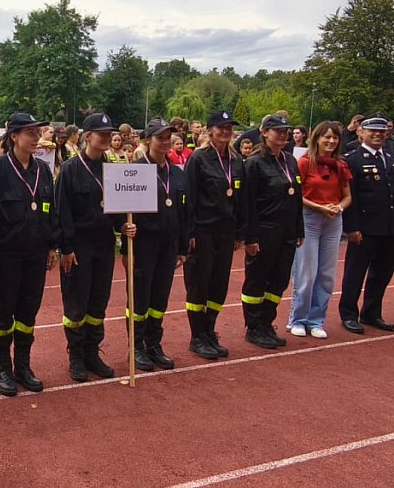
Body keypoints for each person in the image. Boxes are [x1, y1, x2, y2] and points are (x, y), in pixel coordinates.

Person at [0, 112, 59, 396]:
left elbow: (50, 210)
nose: (36, 137)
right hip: (6, 254)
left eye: (37, 132)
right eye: (30, 133)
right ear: (14, 136)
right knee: (4, 313)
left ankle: (22, 366)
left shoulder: (42, 169)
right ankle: (3, 369)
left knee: (28, 312)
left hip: (36, 253)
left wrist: (52, 245)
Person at [56, 113, 135, 382]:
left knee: (98, 302)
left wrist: (122, 227)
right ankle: (76, 356)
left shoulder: (113, 168)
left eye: (108, 133)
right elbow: (62, 212)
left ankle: (92, 352)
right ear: (87, 136)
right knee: (76, 305)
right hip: (78, 246)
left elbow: (115, 208)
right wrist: (66, 248)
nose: (105, 137)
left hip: (103, 245)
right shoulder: (70, 169)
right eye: (100, 133)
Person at [184, 111, 247, 359]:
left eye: (229, 128)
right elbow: (187, 198)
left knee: (219, 283)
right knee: (200, 283)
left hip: (226, 231)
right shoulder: (198, 159)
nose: (225, 132)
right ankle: (197, 336)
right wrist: (189, 232)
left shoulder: (236, 160)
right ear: (210, 130)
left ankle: (210, 330)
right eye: (220, 128)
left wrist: (240, 232)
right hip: (203, 230)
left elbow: (241, 200)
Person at [126, 119, 188, 370]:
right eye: (159, 137)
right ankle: (136, 345)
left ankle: (154, 343)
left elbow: (185, 211)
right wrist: (125, 228)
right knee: (140, 296)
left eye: (167, 138)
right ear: (147, 140)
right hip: (144, 243)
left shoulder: (178, 173)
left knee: (160, 296)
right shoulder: (135, 170)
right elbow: (125, 210)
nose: (164, 142)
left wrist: (182, 247)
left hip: (169, 244)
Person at [241, 115, 304, 349]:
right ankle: (254, 327)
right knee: (257, 281)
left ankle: (267, 323)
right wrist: (251, 237)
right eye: (277, 130)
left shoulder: (290, 160)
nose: (282, 134)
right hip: (265, 231)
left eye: (285, 131)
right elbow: (248, 203)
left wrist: (299, 229)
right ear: (265, 133)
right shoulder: (254, 163)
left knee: (279, 281)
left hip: (287, 232)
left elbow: (297, 197)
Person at [288, 121, 351, 338]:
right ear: (316, 138)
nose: (331, 141)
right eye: (327, 137)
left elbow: (347, 195)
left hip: (333, 221)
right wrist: (320, 207)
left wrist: (338, 207)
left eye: (335, 138)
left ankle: (316, 320)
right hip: (310, 219)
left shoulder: (340, 165)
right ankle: (298, 318)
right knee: (306, 273)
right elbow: (298, 195)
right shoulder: (305, 163)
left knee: (326, 275)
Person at [338, 116, 394, 334]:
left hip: (388, 227)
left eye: (381, 132)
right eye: (372, 131)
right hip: (364, 227)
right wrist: (351, 228)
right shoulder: (352, 159)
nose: (378, 135)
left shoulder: (390, 156)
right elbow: (352, 198)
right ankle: (349, 313)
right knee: (355, 272)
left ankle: (371, 312)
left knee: (382, 272)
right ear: (361, 132)